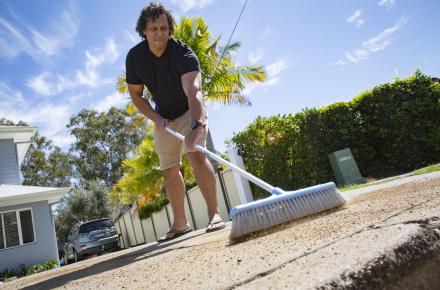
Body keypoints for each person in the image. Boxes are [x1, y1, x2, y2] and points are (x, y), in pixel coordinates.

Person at [125, 2, 225, 242]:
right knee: (170, 170)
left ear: (170, 29)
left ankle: (215, 214)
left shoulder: (182, 53)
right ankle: (180, 224)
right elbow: (136, 95)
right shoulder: (136, 57)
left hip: (189, 111)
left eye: (163, 28)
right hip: (164, 118)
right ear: (144, 31)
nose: (159, 33)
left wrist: (198, 123)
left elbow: (194, 91)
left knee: (196, 155)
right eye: (153, 29)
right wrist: (156, 118)